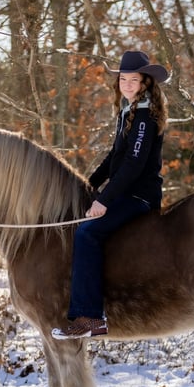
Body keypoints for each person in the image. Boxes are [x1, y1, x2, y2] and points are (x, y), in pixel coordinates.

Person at [51, 50, 169, 340]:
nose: (127, 84)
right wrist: (88, 185)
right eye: (123, 79)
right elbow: (114, 158)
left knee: (87, 234)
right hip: (123, 192)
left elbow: (133, 165)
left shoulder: (145, 115)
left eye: (134, 79)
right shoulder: (128, 112)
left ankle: (91, 318)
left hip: (139, 196)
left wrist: (103, 200)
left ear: (145, 83)